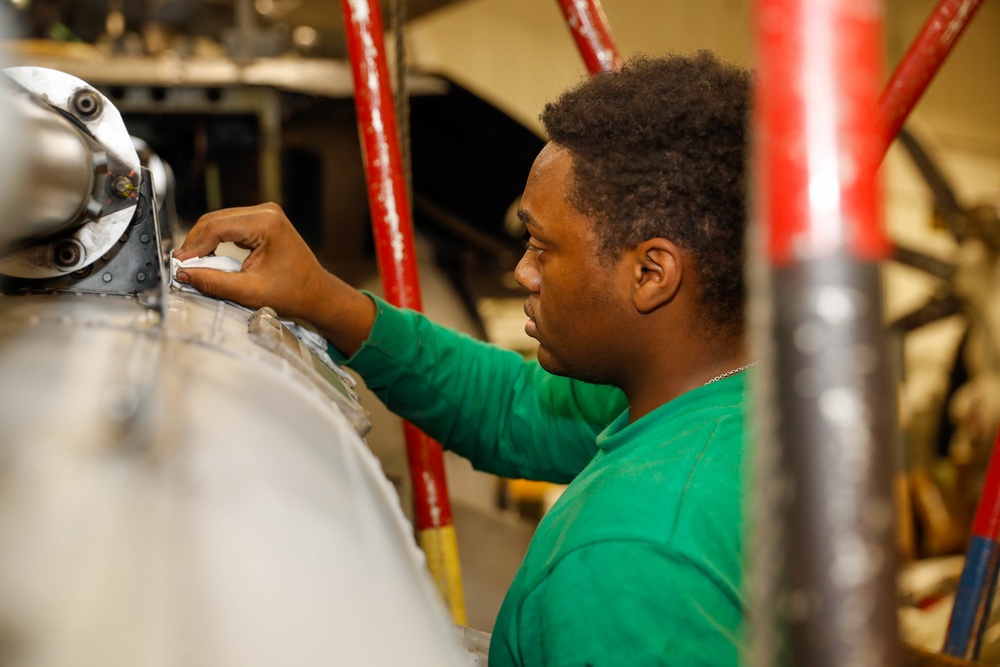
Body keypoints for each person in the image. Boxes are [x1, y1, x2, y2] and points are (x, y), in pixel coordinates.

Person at [175, 51, 752, 666]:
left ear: (651, 273)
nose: (521, 271)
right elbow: (513, 406)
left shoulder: (625, 561)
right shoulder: (739, 403)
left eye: (541, 246)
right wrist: (323, 300)